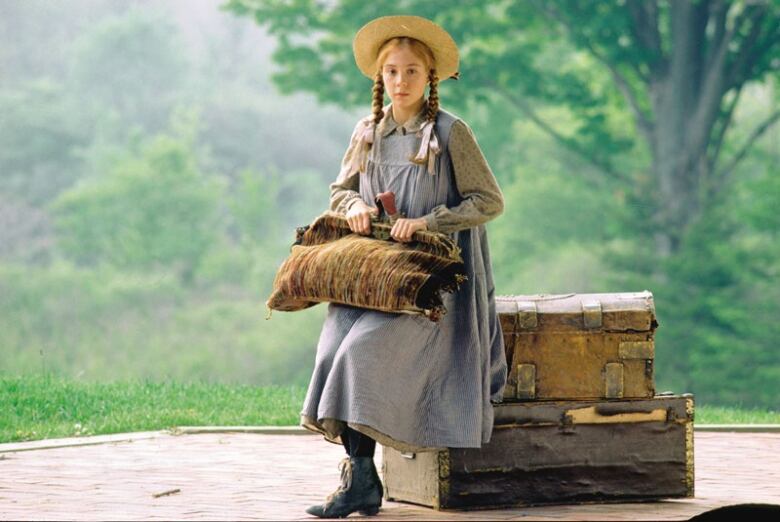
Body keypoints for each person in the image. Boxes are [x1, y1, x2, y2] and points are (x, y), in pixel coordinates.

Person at [300, 15, 507, 518]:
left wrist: (428, 221)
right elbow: (342, 190)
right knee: (333, 351)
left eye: (411, 71)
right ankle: (361, 480)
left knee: (359, 356)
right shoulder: (367, 130)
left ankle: (360, 482)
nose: (401, 81)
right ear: (380, 77)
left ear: (429, 76)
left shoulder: (450, 133)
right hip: (372, 275)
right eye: (391, 71)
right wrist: (355, 210)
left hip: (431, 285)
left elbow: (489, 200)